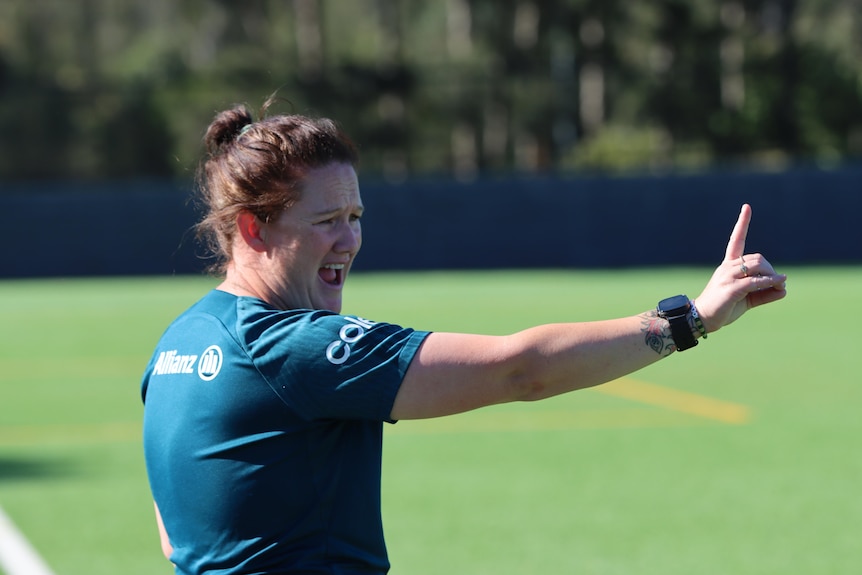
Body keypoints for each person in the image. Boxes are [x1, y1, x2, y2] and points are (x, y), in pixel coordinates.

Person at [141, 97, 787, 575]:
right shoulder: (297, 348)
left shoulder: (175, 344)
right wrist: (691, 319)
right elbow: (518, 369)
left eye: (356, 216)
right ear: (254, 229)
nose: (350, 239)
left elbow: (176, 537)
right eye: (327, 220)